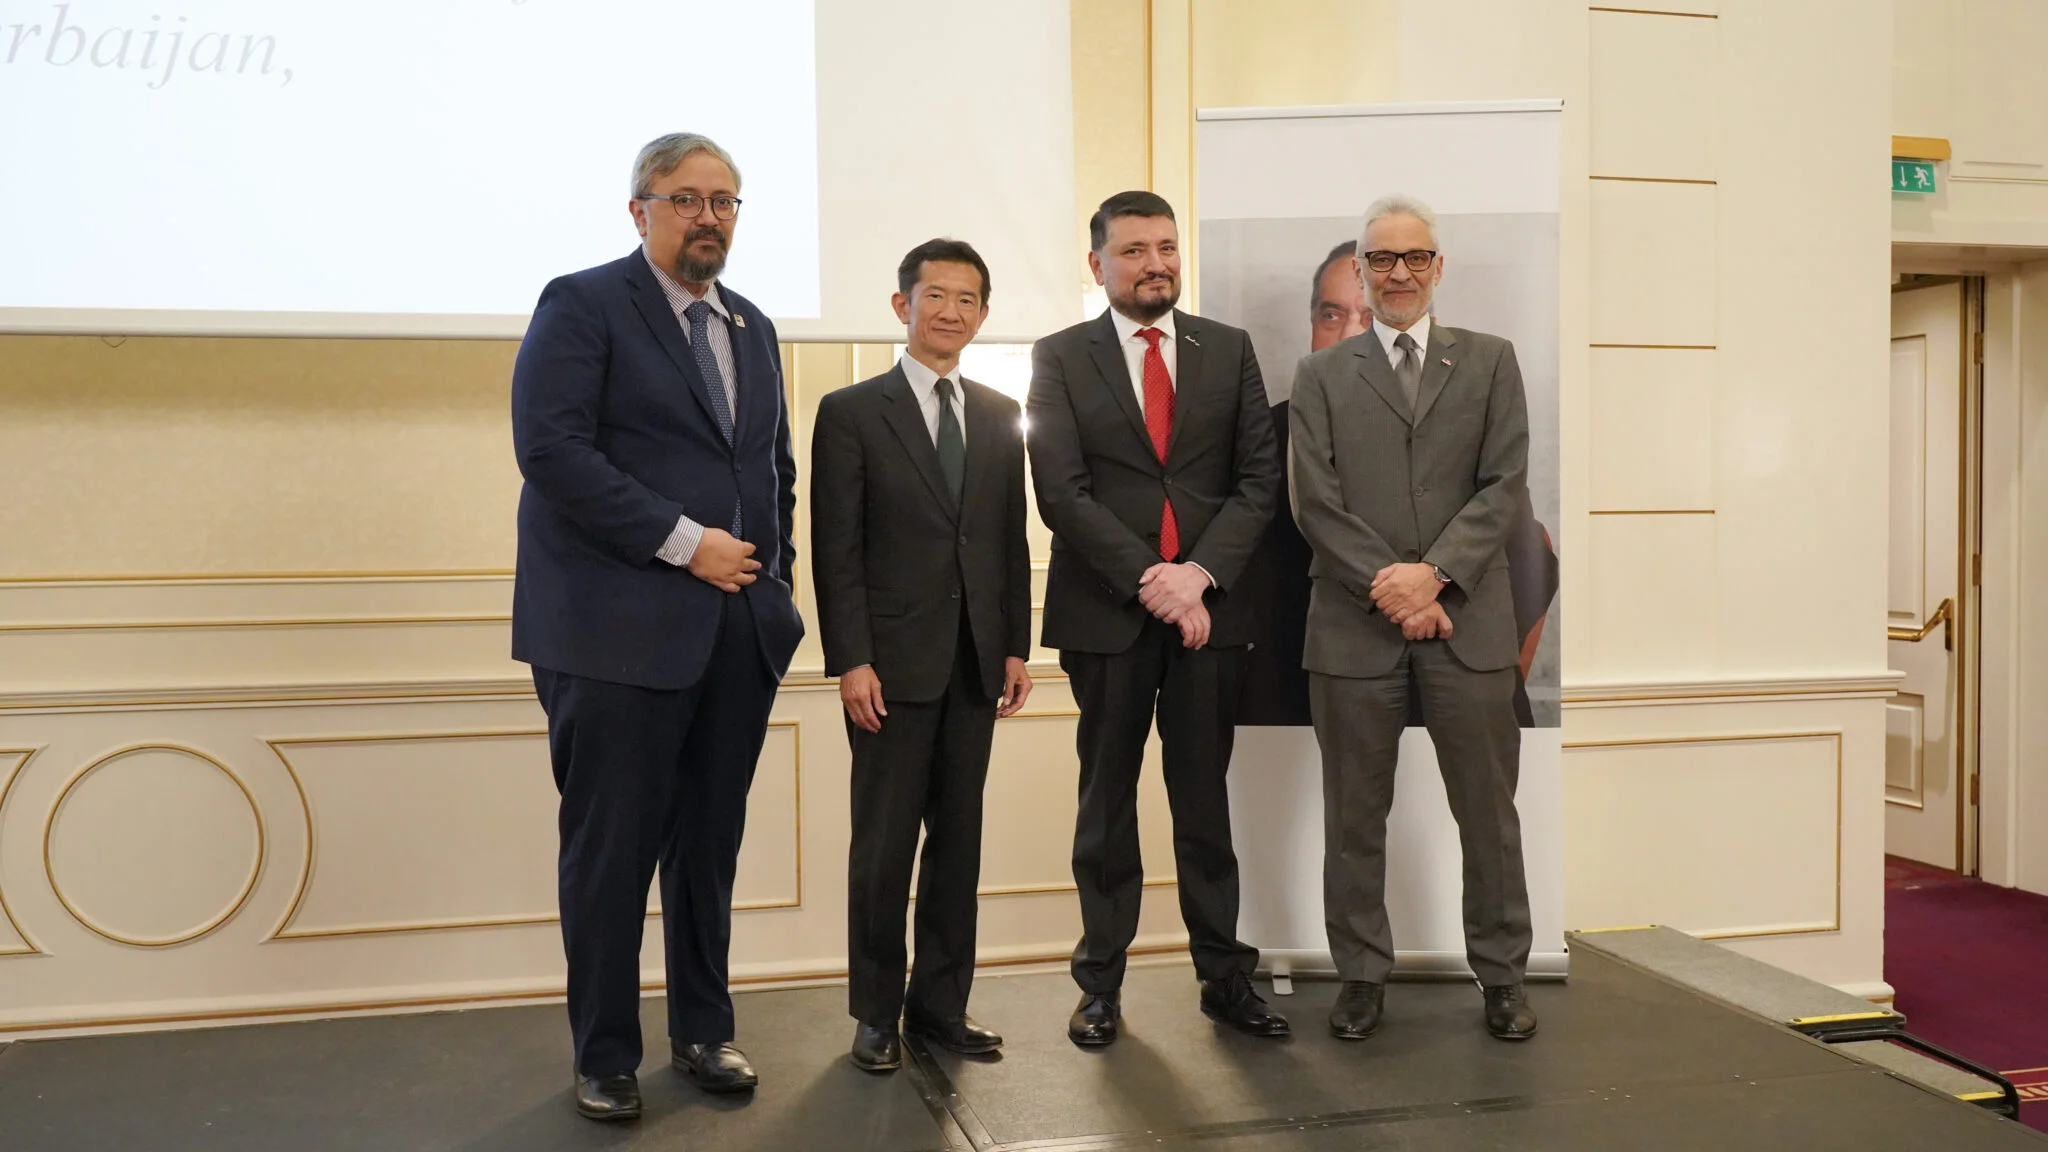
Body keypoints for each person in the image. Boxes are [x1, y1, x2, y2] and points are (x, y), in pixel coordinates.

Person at [510, 132, 805, 1122]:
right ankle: (604, 1055)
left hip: (735, 635)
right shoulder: (582, 303)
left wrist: (774, 591)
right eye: (685, 199)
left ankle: (703, 1031)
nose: (707, 216)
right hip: (613, 637)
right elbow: (551, 451)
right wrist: (686, 545)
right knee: (610, 857)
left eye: (723, 201)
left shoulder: (754, 326)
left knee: (708, 850)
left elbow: (771, 473)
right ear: (639, 210)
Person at [1026, 191, 1287, 1046]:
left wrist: (1198, 577)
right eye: (1134, 250)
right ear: (1097, 263)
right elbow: (1061, 491)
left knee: (1204, 803)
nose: (1155, 264)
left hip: (1212, 615)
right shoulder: (1059, 356)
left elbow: (1259, 480)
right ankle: (1099, 986)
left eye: (1166, 247)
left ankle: (1225, 979)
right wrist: (1152, 580)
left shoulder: (1229, 348)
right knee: (1106, 807)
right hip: (1108, 615)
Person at [1289, 194, 1539, 1043]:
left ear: (1438, 267)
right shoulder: (1320, 376)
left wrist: (1433, 578)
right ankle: (1361, 977)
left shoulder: (1492, 361)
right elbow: (1314, 503)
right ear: (1361, 271)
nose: (1399, 273)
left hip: (1468, 626)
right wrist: (1394, 589)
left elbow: (1503, 484)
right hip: (1352, 631)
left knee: (1490, 818)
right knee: (1354, 819)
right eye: (1382, 259)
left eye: (1415, 257)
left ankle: (1502, 976)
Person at [809, 239, 1034, 1073]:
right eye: (935, 295)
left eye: (967, 299)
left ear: (983, 314)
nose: (950, 311)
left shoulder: (1001, 412)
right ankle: (875, 1014)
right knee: (884, 847)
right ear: (902, 306)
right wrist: (851, 660)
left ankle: (939, 1006)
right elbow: (837, 548)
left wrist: (1014, 645)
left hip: (975, 664)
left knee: (958, 846)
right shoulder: (851, 412)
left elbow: (1007, 540)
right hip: (889, 670)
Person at [1241, 240, 1559, 728]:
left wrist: (1429, 585)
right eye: (1331, 315)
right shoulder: (1271, 432)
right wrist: (1407, 599)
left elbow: (1532, 561)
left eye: (1368, 317)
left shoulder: (1468, 410)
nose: (1349, 332)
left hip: (1459, 664)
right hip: (1314, 687)